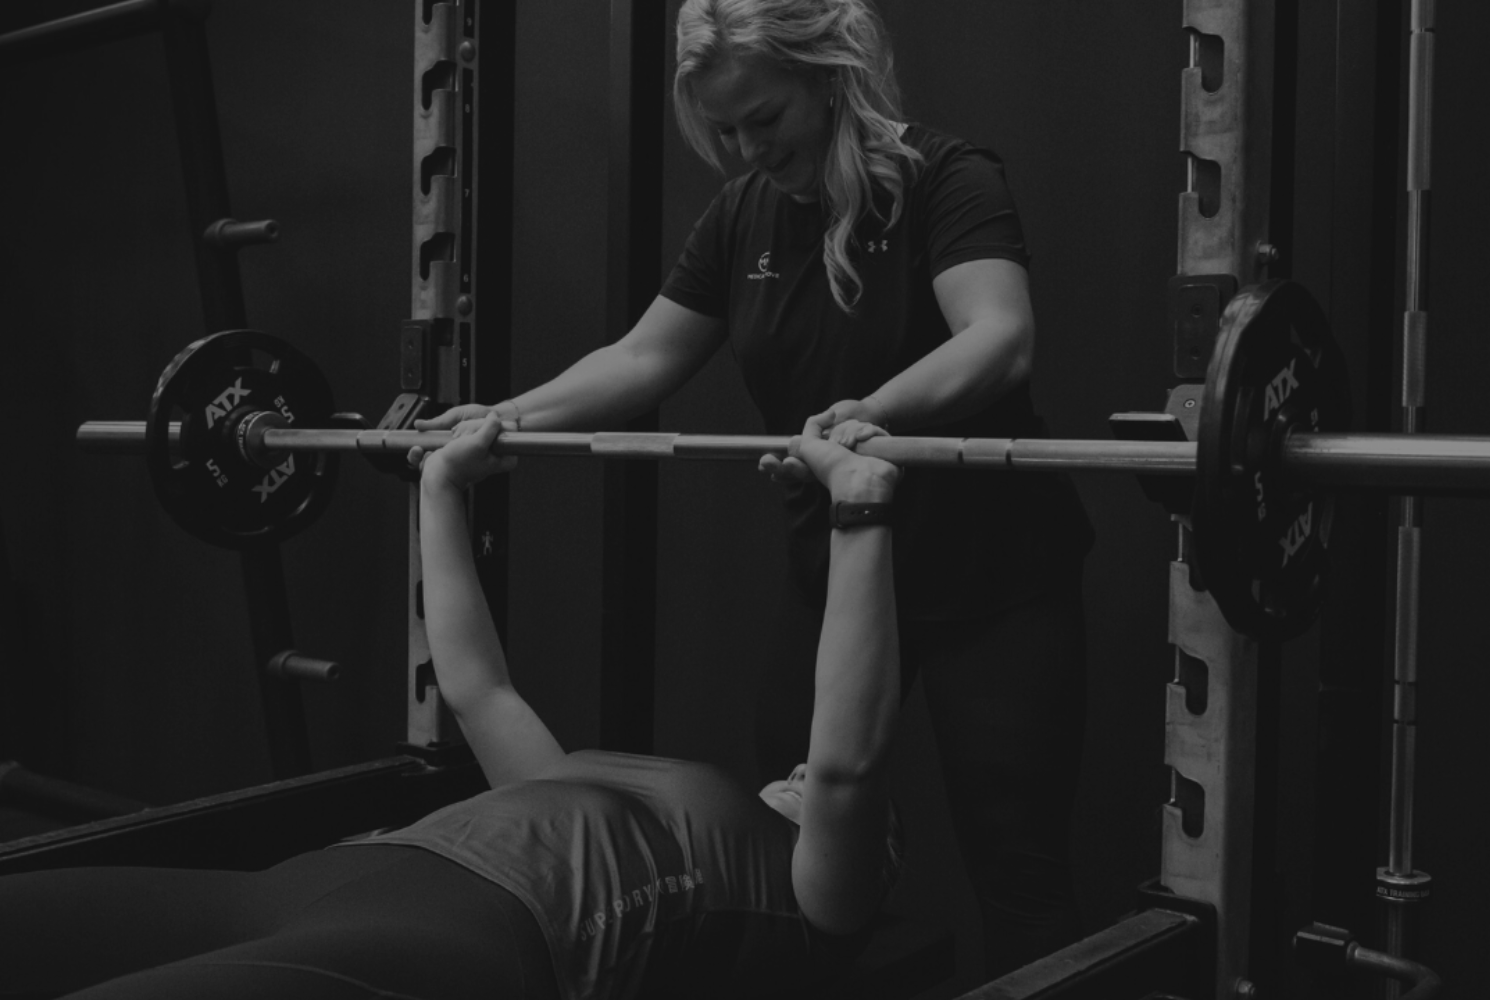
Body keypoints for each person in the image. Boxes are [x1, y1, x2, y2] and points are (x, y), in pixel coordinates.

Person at [419, 0, 1093, 975]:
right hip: (840, 574)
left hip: (995, 581)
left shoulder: (948, 178)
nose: (744, 146)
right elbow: (645, 356)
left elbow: (999, 337)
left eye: (763, 119)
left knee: (1018, 867)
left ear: (830, 75)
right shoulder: (745, 214)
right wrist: (499, 418)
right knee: (796, 864)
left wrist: (865, 415)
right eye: (725, 128)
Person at [0, 411, 906, 1000]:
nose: (793, 777)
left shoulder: (811, 901)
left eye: (808, 791)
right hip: (316, 884)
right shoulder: (576, 791)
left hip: (459, 941)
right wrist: (442, 488)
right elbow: (478, 686)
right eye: (790, 774)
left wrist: (859, 514)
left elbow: (846, 762)